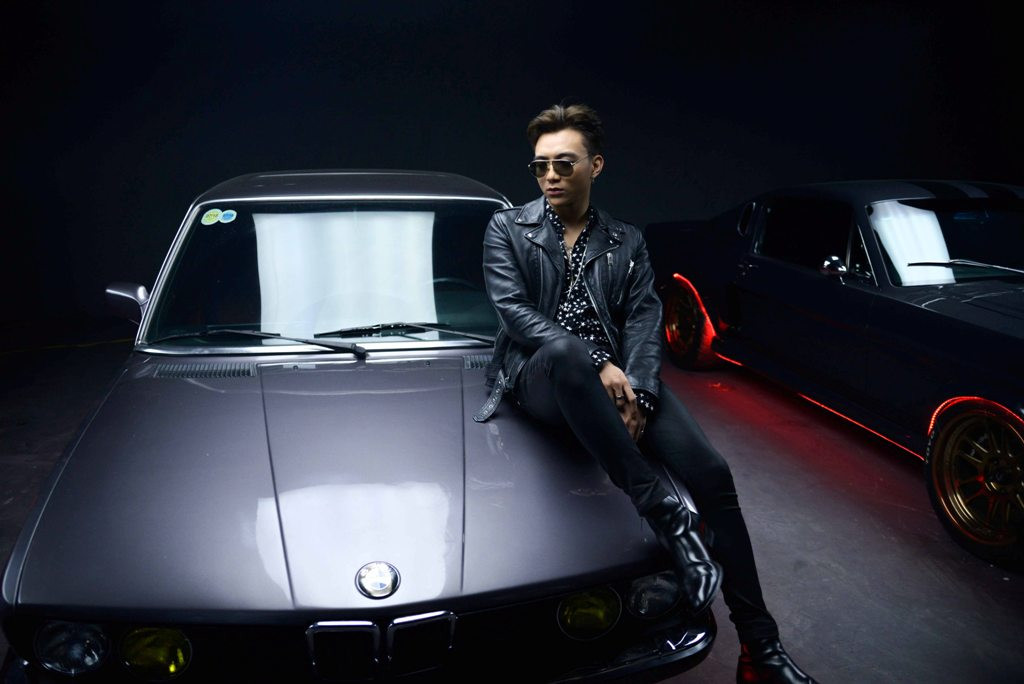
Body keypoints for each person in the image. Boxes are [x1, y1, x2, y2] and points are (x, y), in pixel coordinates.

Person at [475, 103, 817, 684]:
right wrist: (599, 361)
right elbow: (514, 312)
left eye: (564, 163)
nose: (550, 176)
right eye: (540, 166)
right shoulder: (508, 228)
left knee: (712, 473)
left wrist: (640, 393)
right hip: (540, 375)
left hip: (618, 379)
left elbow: (642, 320)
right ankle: (667, 516)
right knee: (566, 354)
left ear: (595, 166)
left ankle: (761, 650)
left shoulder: (626, 240)